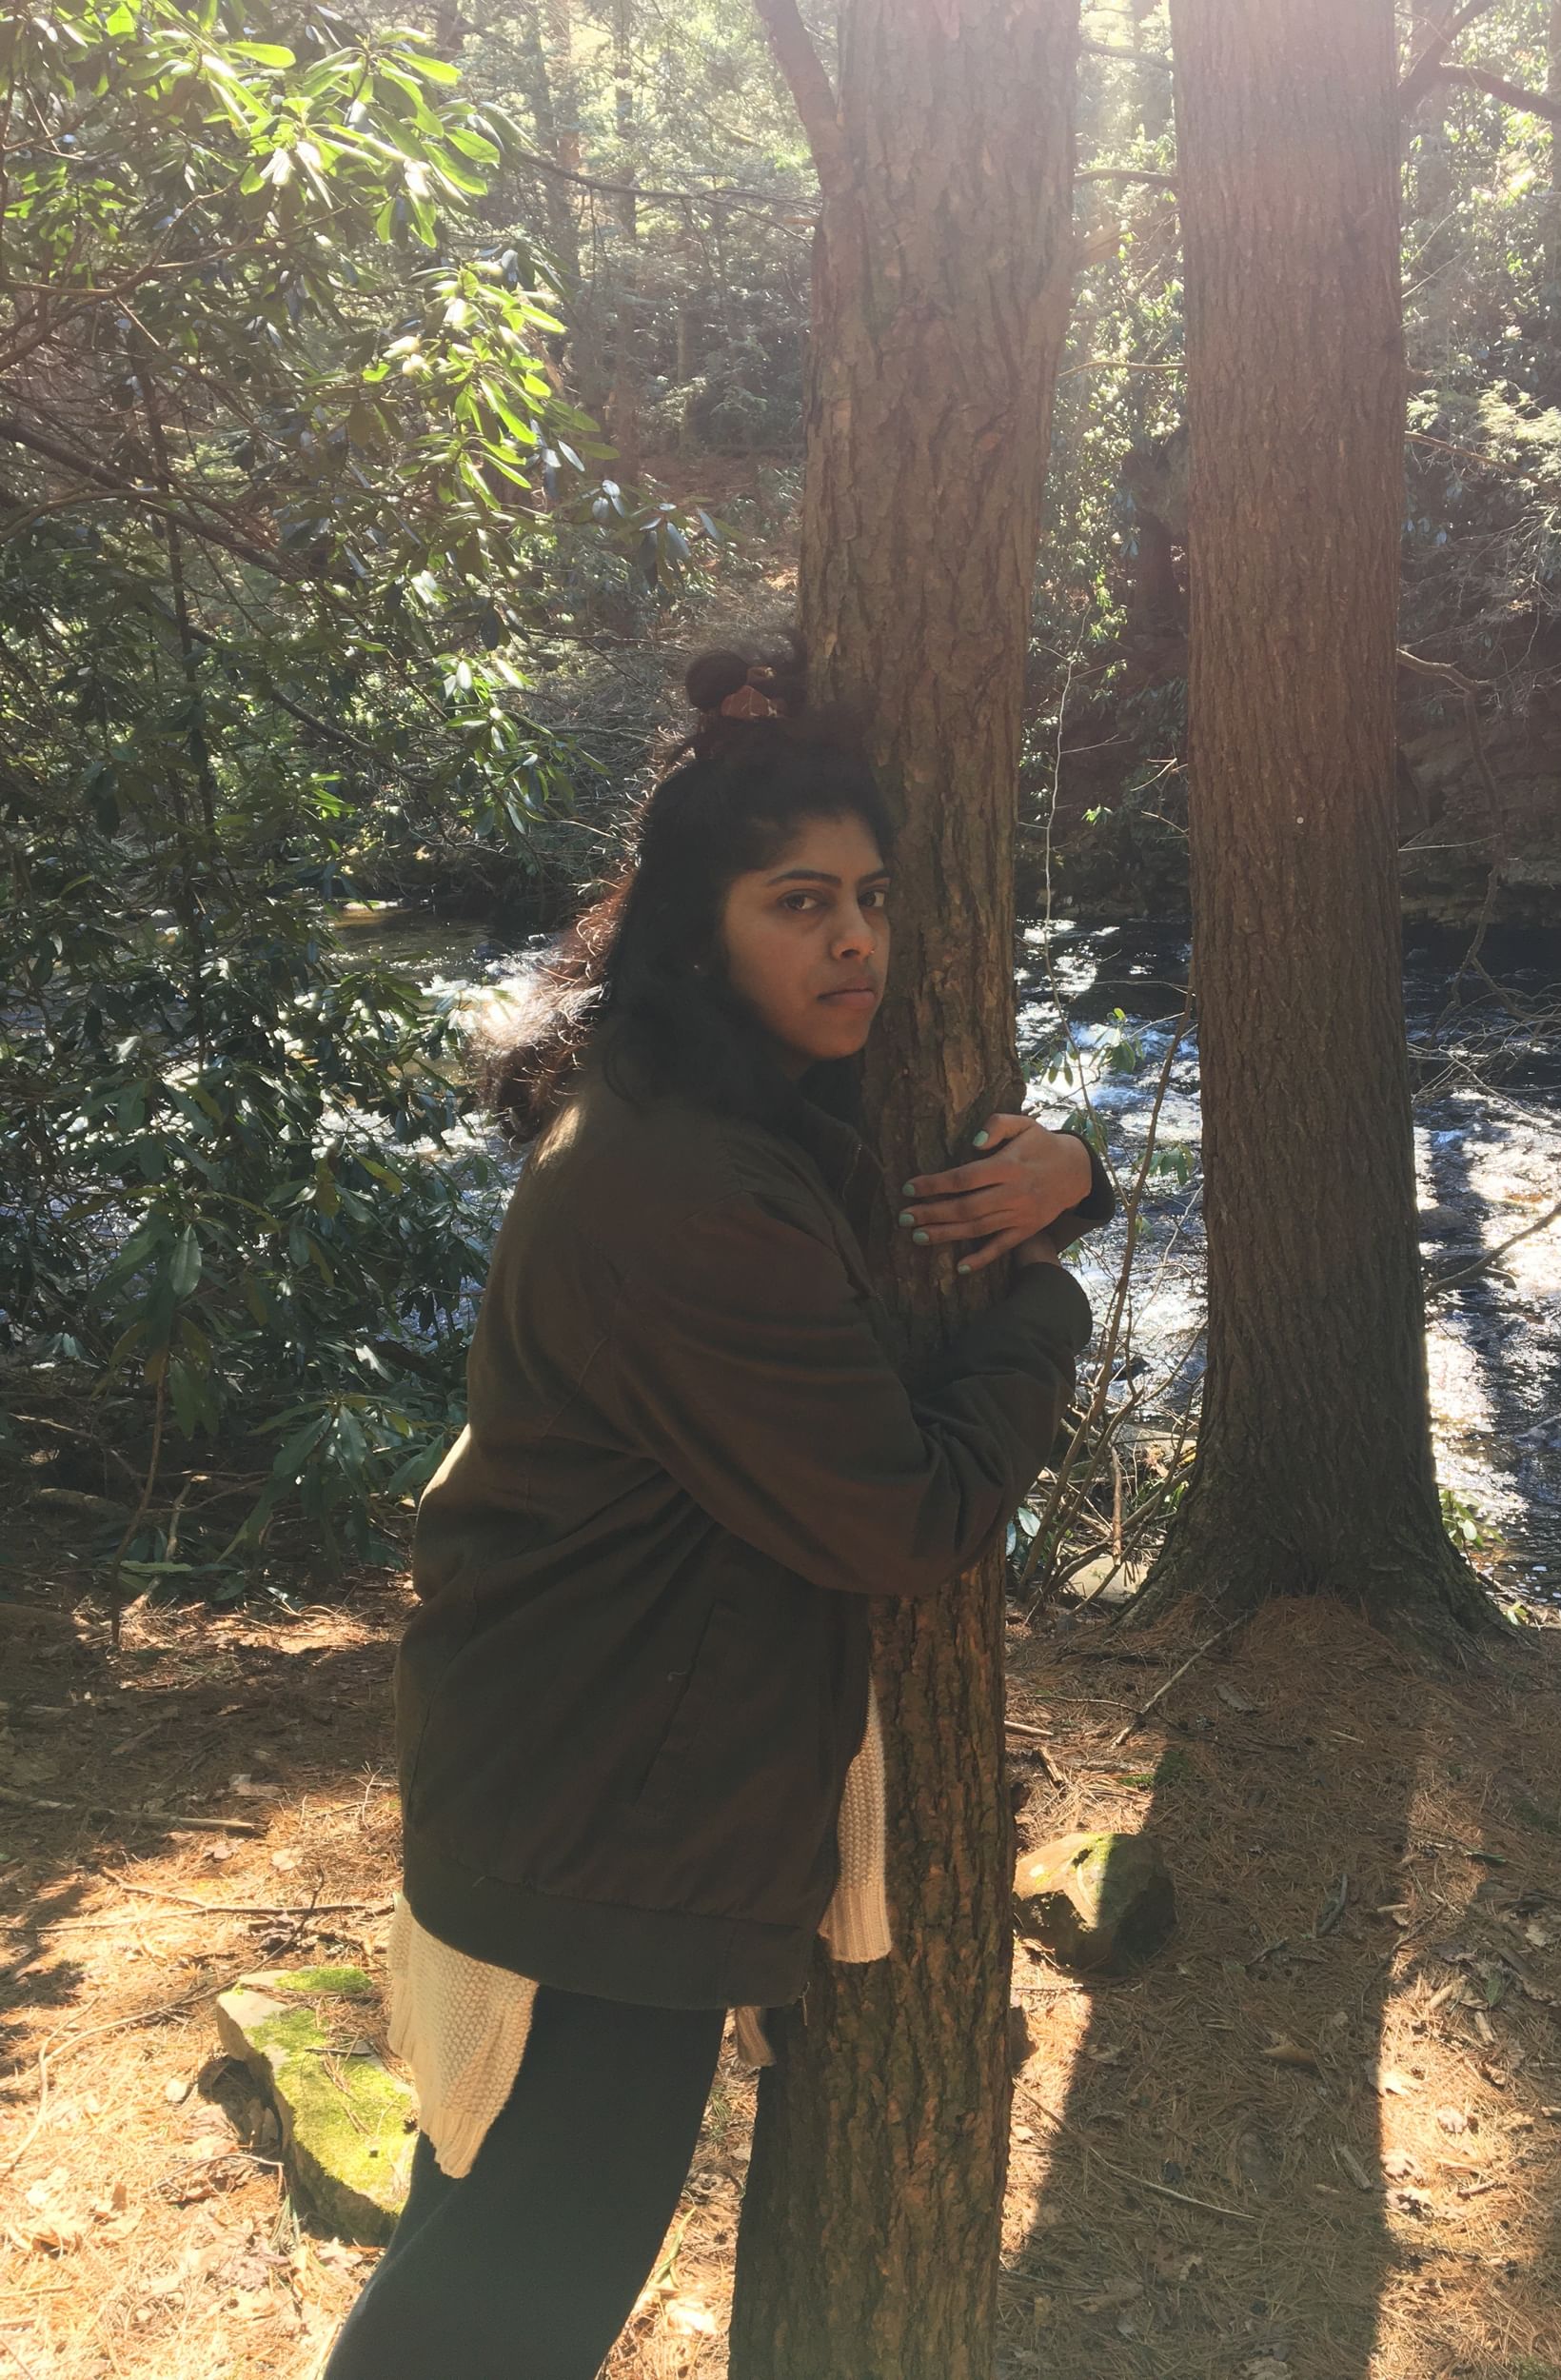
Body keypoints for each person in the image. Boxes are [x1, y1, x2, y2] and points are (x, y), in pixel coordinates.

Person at [324, 647, 1113, 2380]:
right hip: (596, 1827)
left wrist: (1078, 1172)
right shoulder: (681, 1187)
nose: (859, 942)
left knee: (487, 2275)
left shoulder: (702, 1108)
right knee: (497, 2320)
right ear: (698, 935)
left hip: (577, 1784)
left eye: (873, 898)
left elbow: (864, 1217)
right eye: (800, 903)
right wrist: (1049, 1295)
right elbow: (907, 1519)